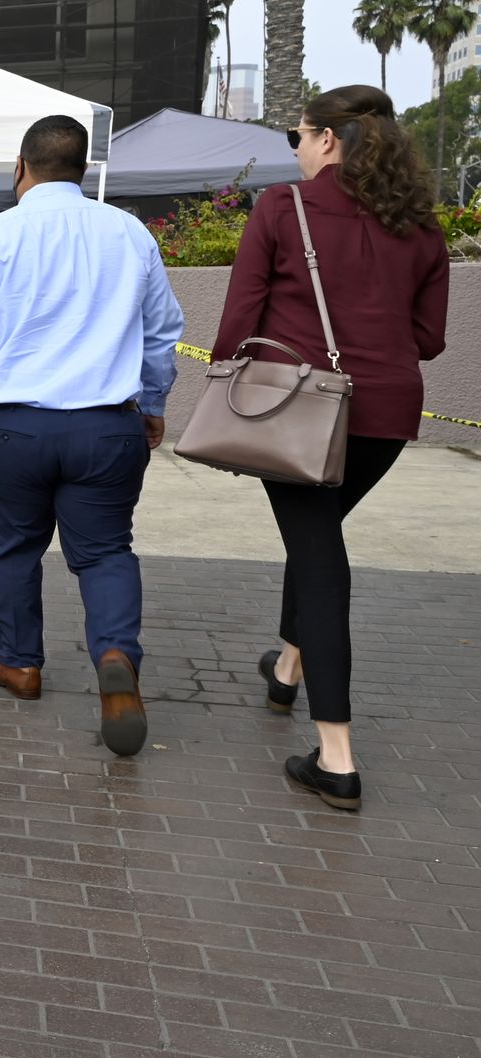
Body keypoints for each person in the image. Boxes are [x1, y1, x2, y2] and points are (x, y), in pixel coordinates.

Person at [0, 115, 184, 758]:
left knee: (15, 547)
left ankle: (21, 664)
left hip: (15, 429)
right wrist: (151, 404)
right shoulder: (130, 232)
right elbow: (161, 335)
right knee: (106, 552)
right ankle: (116, 654)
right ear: (85, 169)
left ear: (19, 169)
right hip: (106, 426)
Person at [211, 85, 449, 810]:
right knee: (317, 536)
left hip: (301, 409)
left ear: (329, 140)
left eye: (298, 134)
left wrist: (226, 383)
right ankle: (287, 670)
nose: (296, 146)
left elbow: (240, 315)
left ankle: (337, 756)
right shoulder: (420, 225)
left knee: (318, 556)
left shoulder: (284, 208)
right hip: (387, 415)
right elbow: (429, 341)